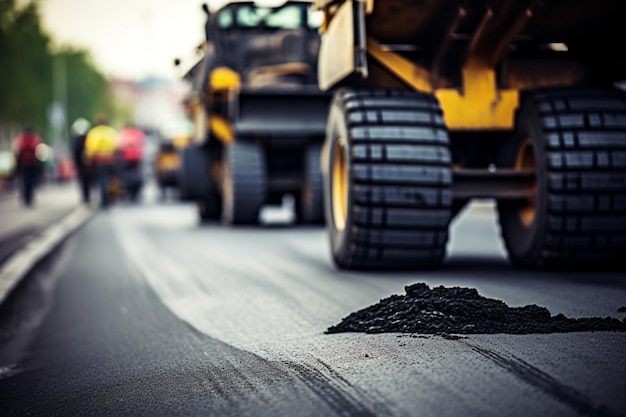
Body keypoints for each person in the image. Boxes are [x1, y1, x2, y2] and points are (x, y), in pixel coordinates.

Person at [85, 114, 118, 208]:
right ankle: (109, 198)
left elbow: (90, 148)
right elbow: (116, 146)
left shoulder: (93, 133)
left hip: (98, 160)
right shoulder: (111, 132)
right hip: (110, 159)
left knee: (101, 180)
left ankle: (104, 200)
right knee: (110, 180)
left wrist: (88, 159)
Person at [12, 126, 43, 207]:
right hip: (33, 164)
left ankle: (26, 197)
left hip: (23, 164)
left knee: (24, 181)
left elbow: (16, 150)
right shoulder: (35, 138)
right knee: (32, 181)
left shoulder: (21, 138)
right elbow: (39, 150)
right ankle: (29, 198)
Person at [70, 117, 93, 204]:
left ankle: (85, 197)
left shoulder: (75, 141)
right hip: (88, 165)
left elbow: (74, 154)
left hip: (81, 165)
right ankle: (87, 197)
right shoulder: (89, 138)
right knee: (88, 181)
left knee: (83, 181)